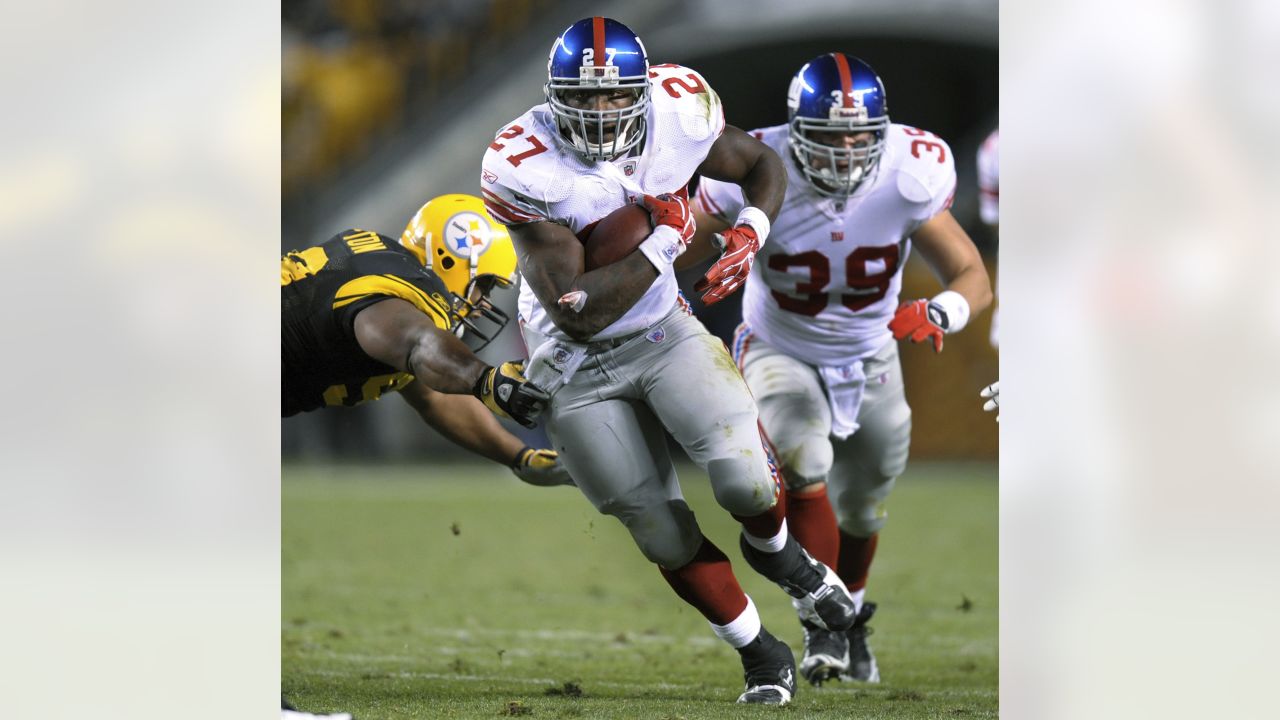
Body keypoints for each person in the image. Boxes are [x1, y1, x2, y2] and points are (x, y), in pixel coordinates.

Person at [479, 17, 857, 706]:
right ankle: (760, 653)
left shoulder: (679, 108)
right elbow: (577, 309)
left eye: (613, 95)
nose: (599, 113)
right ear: (553, 96)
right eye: (583, 98)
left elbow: (759, 165)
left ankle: (782, 557)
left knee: (746, 483)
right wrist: (665, 240)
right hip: (571, 364)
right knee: (657, 526)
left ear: (642, 91)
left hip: (662, 334)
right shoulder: (521, 161)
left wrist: (751, 228)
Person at [687, 53, 993, 686]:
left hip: (871, 352)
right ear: (796, 133)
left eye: (860, 136)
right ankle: (820, 623)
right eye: (831, 137)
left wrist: (942, 310)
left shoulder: (911, 172)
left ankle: (848, 617)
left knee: (866, 501)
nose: (847, 151)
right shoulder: (754, 166)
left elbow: (973, 277)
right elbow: (683, 238)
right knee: (804, 459)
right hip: (779, 344)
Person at [281, 193, 567, 485]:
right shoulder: (396, 292)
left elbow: (434, 395)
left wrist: (520, 457)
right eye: (484, 284)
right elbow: (417, 343)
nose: (485, 304)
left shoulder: (389, 277)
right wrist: (485, 380)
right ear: (449, 259)